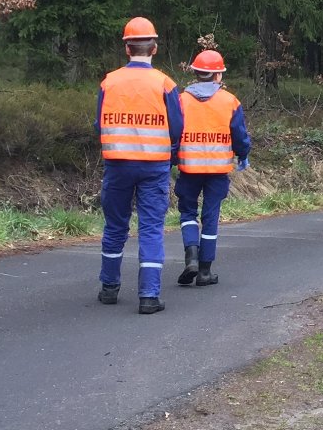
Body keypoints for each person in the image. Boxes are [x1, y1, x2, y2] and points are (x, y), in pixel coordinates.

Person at [95, 17, 183, 314]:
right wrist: (169, 156)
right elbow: (177, 127)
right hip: (154, 166)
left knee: (115, 225)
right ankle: (148, 295)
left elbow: (99, 123)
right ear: (154, 48)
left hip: (117, 164)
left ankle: (109, 288)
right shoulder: (165, 84)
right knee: (151, 229)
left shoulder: (109, 82)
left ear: (127, 48)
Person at [175, 49, 251, 287]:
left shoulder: (181, 100)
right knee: (210, 218)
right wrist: (243, 154)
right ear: (218, 75)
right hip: (217, 171)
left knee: (187, 213)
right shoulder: (230, 101)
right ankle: (205, 272)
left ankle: (191, 257)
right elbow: (239, 135)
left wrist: (170, 159)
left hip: (188, 169)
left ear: (196, 73)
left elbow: (173, 133)